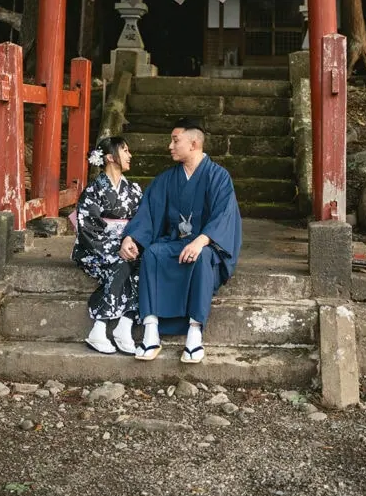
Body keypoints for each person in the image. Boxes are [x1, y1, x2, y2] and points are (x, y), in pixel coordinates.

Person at [119, 117, 241, 364]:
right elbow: (149, 212)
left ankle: (195, 334)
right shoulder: (167, 179)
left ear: (194, 143)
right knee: (153, 253)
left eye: (175, 140)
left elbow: (224, 216)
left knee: (203, 257)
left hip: (205, 244)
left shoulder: (218, 177)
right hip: (176, 242)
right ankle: (151, 330)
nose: (170, 146)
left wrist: (201, 241)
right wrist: (131, 237)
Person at [71, 136, 143, 355]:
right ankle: (104, 326)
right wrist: (116, 247)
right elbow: (87, 228)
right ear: (110, 157)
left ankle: (121, 326)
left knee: (144, 264)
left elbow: (142, 222)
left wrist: (132, 241)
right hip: (93, 250)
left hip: (126, 245)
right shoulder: (93, 191)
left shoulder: (135, 190)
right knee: (122, 264)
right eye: (125, 151)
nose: (130, 155)